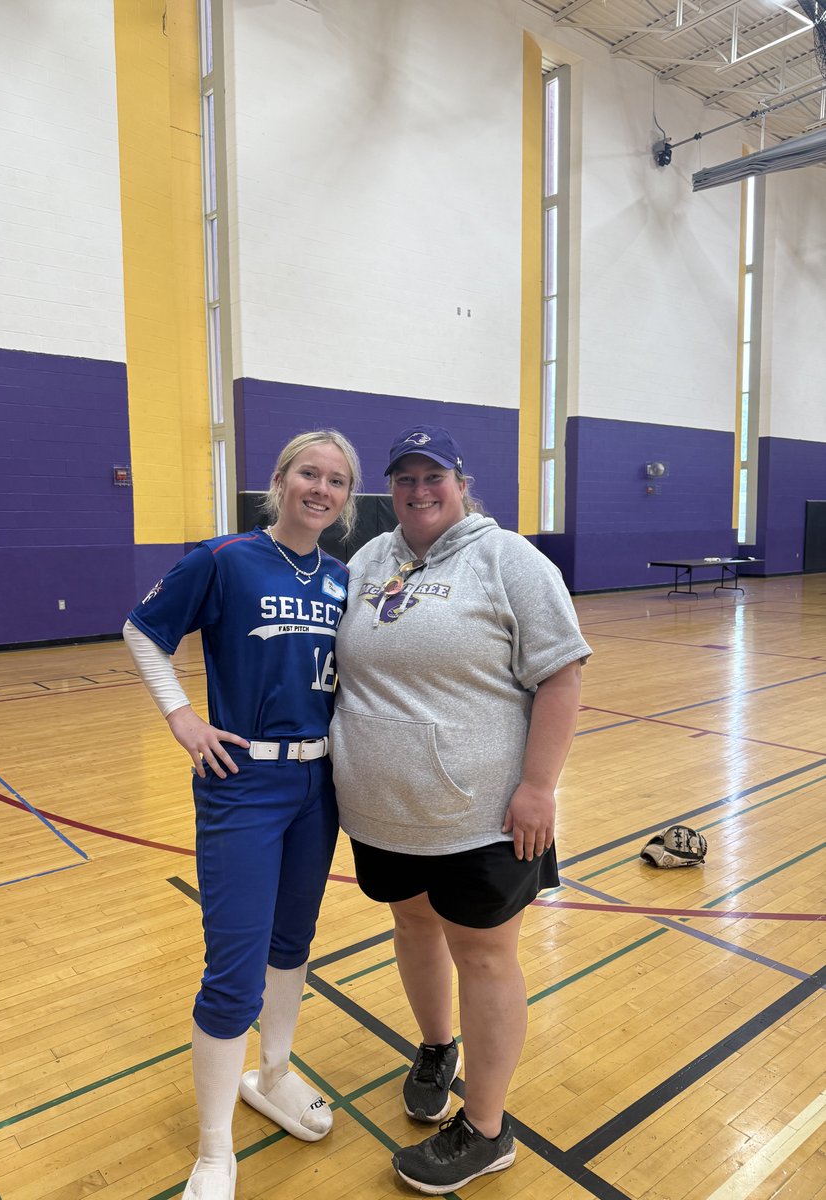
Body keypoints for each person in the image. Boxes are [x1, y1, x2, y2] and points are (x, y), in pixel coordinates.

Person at [329, 425, 591, 1195]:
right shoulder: (371, 559)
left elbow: (562, 677)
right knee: (411, 925)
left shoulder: (508, 560)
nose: (418, 489)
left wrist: (539, 788)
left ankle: (486, 1128)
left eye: (432, 475)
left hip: (481, 816)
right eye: (403, 477)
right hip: (382, 810)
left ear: (461, 481)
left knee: (482, 955)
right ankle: (437, 1047)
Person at [123, 430, 360, 1200]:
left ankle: (277, 1074)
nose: (319, 488)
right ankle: (214, 1149)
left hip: (318, 786)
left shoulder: (343, 579)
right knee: (233, 974)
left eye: (336, 480)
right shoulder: (225, 558)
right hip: (242, 783)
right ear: (280, 481)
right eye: (307, 473)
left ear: (348, 499)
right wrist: (182, 717)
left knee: (292, 945)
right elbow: (142, 630)